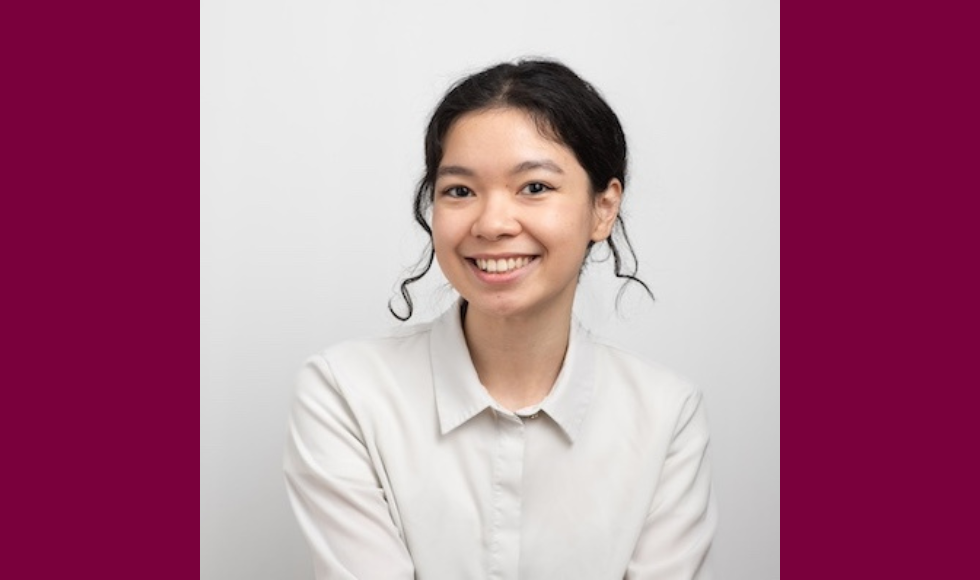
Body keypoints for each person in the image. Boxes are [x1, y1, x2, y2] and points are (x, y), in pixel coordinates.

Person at [283, 59, 716, 580]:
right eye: (460, 191)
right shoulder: (345, 392)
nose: (491, 224)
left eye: (534, 187)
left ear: (603, 208)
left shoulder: (666, 414)